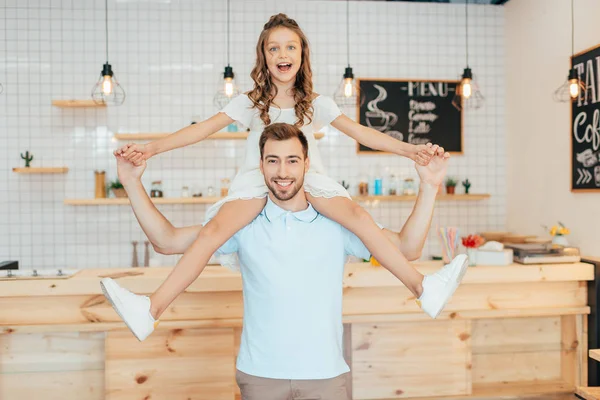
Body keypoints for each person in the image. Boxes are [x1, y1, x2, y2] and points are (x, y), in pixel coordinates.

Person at [105, 13, 466, 337]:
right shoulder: (248, 103)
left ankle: (422, 288)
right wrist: (150, 149)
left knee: (357, 216)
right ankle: (150, 310)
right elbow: (201, 130)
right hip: (254, 183)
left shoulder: (317, 104)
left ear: (302, 54)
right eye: (273, 47)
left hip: (310, 183)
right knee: (214, 231)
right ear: (264, 56)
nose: (282, 53)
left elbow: (363, 134)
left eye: (290, 46)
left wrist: (411, 150)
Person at [101, 123, 467, 400]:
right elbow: (166, 242)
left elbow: (407, 248)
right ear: (260, 166)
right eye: (273, 161)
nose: (282, 171)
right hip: (260, 376)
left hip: (326, 376)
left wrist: (429, 186)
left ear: (307, 163)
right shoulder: (242, 225)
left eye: (292, 160)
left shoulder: (338, 225)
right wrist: (132, 182)